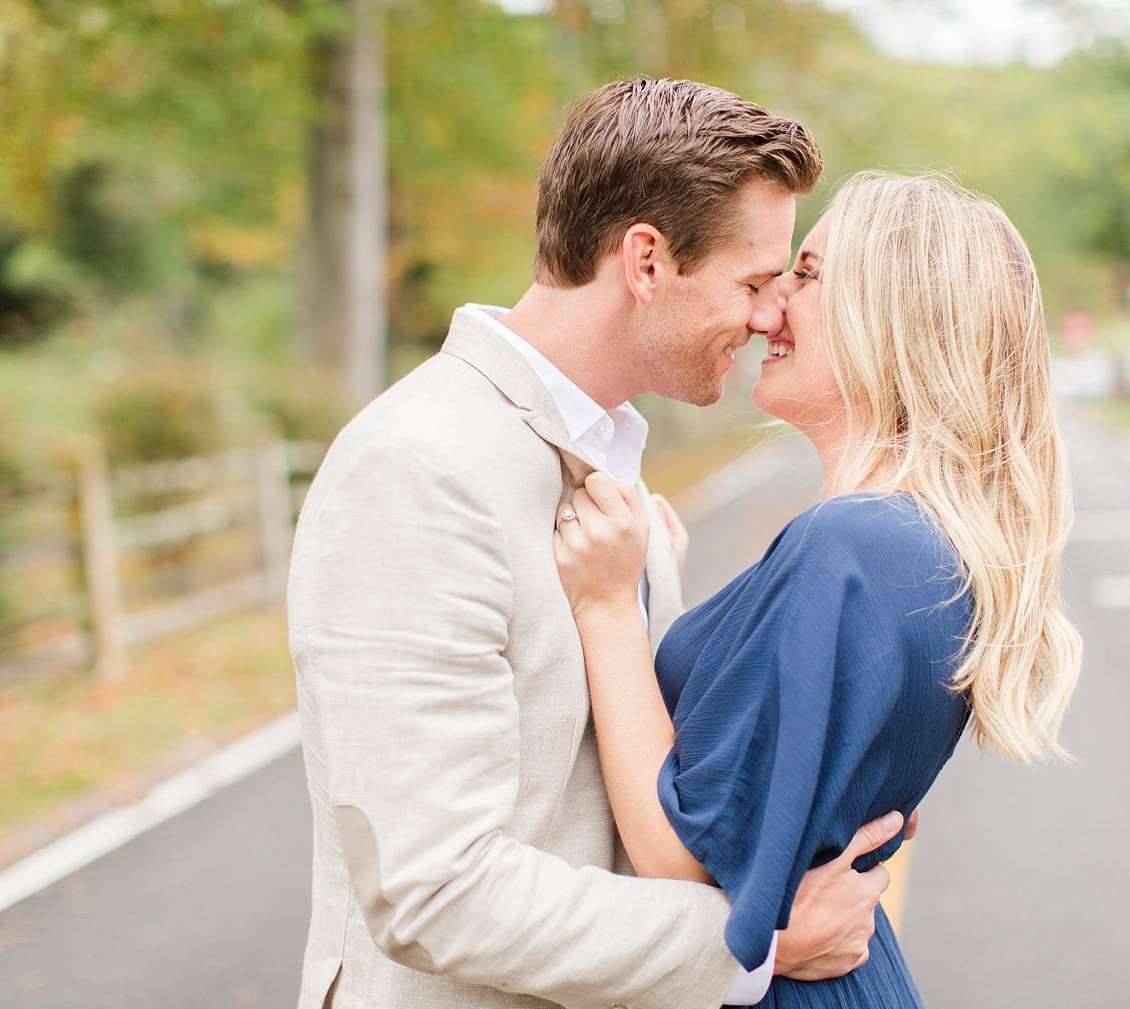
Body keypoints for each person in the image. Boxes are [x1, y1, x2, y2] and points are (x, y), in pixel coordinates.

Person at [287, 80, 914, 1009]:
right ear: (647, 261)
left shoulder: (606, 463)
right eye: (750, 282)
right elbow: (433, 888)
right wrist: (753, 945)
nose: (765, 315)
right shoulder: (418, 468)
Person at [554, 171, 1085, 1007]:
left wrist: (609, 606)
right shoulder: (911, 539)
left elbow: (682, 856)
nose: (768, 308)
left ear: (890, 315)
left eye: (805, 274)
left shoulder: (852, 545)